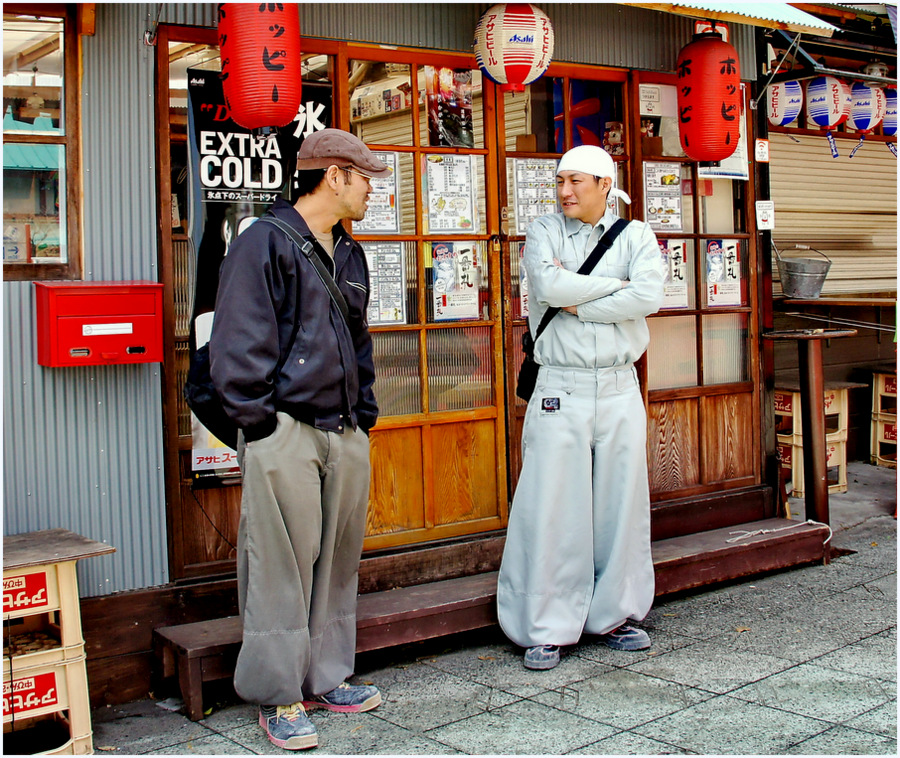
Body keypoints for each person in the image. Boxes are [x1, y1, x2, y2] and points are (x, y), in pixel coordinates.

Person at [209, 129, 389, 749]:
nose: (372, 189)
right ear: (334, 175)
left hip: (344, 430)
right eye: (365, 177)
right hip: (284, 429)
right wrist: (259, 422)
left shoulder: (350, 253)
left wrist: (364, 414)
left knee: (338, 559)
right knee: (279, 564)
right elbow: (236, 342)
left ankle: (328, 673)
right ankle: (278, 694)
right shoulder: (263, 242)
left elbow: (359, 345)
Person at [497, 145, 664, 671]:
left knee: (622, 500)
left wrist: (580, 297)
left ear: (604, 184)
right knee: (550, 503)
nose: (564, 191)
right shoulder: (544, 231)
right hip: (559, 385)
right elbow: (548, 286)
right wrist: (616, 289)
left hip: (619, 384)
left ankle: (616, 615)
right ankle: (543, 625)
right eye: (559, 181)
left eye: (575, 181)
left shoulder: (636, 235)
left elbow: (650, 297)